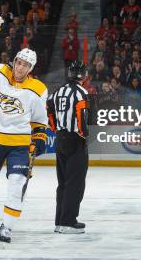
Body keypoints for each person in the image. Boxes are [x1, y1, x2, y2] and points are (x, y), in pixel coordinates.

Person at [0, 16, 48, 244]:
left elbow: (39, 120)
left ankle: (7, 226)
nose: (20, 67)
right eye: (18, 62)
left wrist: (40, 139)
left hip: (19, 145)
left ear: (31, 68)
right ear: (14, 61)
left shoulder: (38, 89)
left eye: (25, 65)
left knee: (16, 183)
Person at [47, 60, 90, 234]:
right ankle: (68, 221)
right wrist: (83, 134)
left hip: (60, 138)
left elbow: (49, 107)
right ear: (84, 75)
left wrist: (55, 127)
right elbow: (81, 116)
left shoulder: (58, 91)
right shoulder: (81, 92)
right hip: (75, 140)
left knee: (63, 182)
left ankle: (59, 221)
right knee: (76, 183)